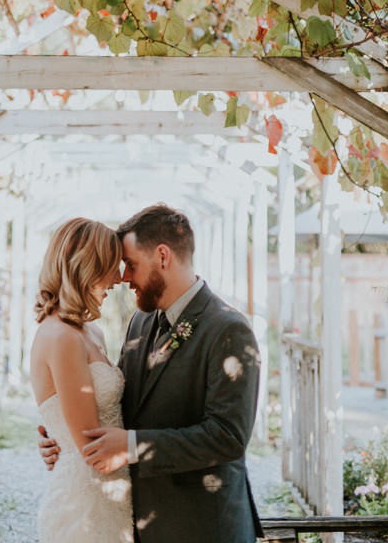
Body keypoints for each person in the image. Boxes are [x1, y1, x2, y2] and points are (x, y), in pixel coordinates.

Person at [39, 204, 263, 542]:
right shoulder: (140, 321)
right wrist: (61, 436)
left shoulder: (228, 329)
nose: (123, 277)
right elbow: (122, 403)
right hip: (135, 521)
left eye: (130, 264)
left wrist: (131, 446)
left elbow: (228, 437)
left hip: (201, 526)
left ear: (162, 256)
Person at [30, 217, 134, 542]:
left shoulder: (90, 332)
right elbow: (94, 449)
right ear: (85, 268)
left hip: (115, 495)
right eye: (110, 266)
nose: (118, 279)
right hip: (86, 505)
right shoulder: (61, 338)